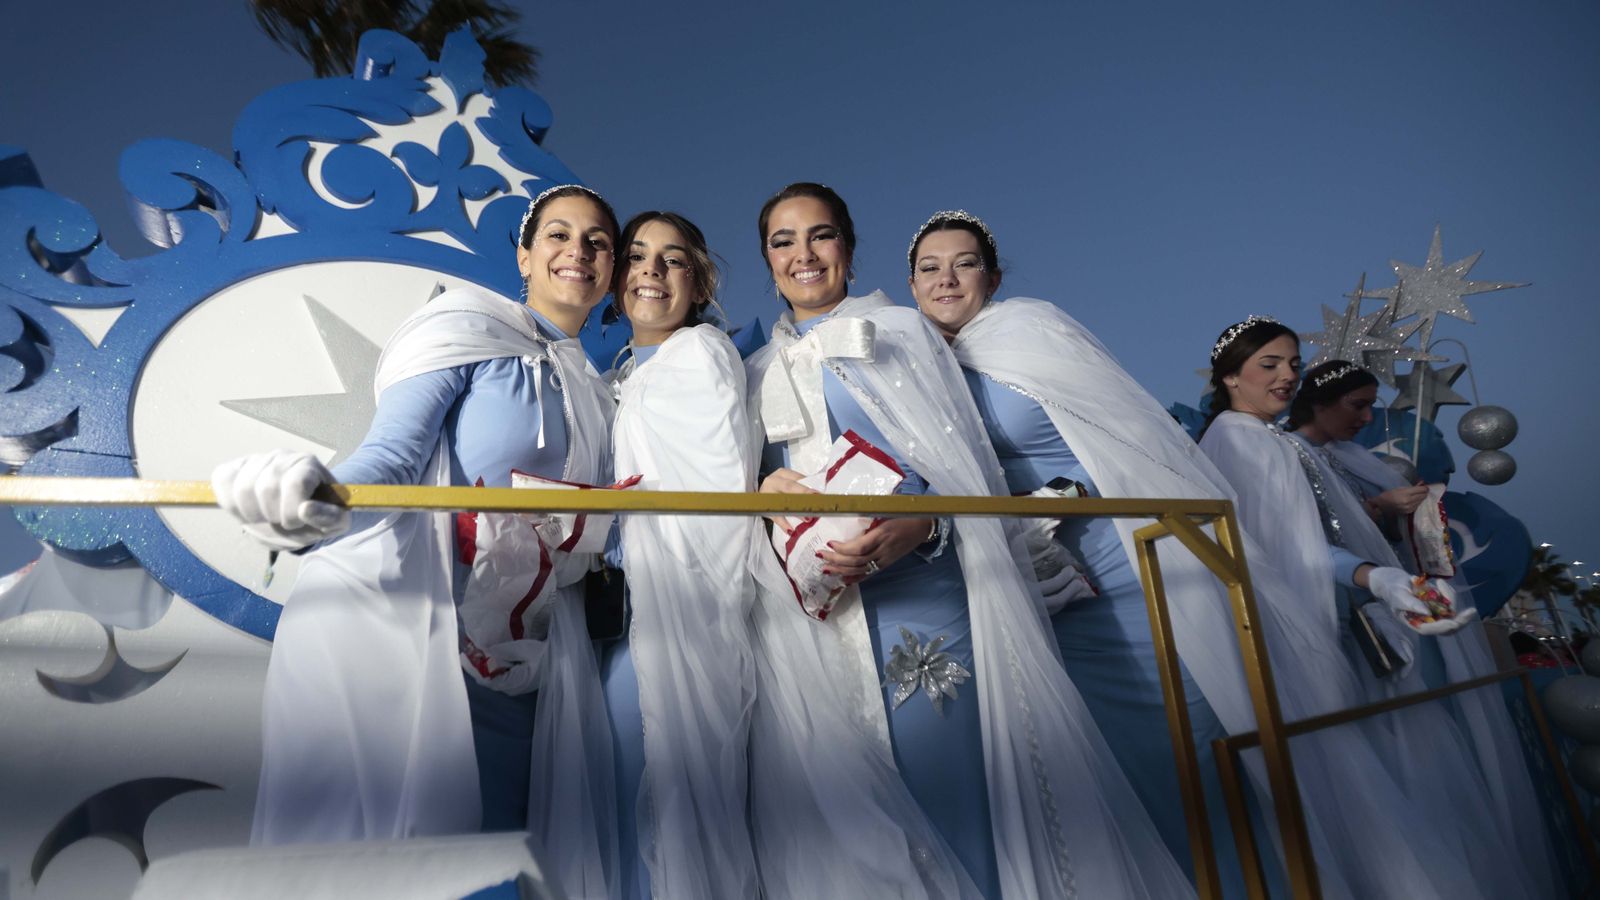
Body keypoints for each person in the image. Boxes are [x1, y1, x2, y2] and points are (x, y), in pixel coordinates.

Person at [746, 182, 1194, 899]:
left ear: (851, 251)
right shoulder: (756, 370)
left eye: (821, 235)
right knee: (856, 822)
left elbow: (965, 466)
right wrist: (764, 493)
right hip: (815, 615)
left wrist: (922, 520)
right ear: (766, 259)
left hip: (920, 593)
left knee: (949, 800)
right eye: (783, 240)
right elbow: (759, 481)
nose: (804, 254)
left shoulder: (902, 332)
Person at [210, 186, 620, 888]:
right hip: (408, 638)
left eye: (597, 242)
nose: (576, 252)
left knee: (506, 870)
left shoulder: (604, 390)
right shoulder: (464, 328)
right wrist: (317, 500)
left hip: (530, 667)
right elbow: (390, 461)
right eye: (557, 235)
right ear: (524, 255)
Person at [906, 209, 1270, 895]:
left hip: (1124, 576)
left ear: (993, 274)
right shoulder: (926, 367)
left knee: (1191, 755)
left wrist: (1056, 500)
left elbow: (1134, 444)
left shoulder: (1031, 330)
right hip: (1042, 595)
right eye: (929, 267)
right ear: (911, 284)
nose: (946, 278)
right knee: (1109, 779)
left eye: (964, 262)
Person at [1198, 318, 1505, 899]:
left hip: (1342, 618)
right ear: (1231, 375)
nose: (1288, 375)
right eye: (1269, 364)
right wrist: (1376, 575)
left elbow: (1315, 535)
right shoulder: (1241, 439)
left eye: (1293, 363)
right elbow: (1287, 553)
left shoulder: (1272, 439)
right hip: (1314, 631)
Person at [1287, 360, 1561, 898]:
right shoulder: (1286, 455)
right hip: (1356, 619)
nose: (1368, 418)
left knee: (1444, 738)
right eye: (1357, 405)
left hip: (1413, 607)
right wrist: (1377, 506)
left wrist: (1404, 512)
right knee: (1404, 746)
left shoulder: (1349, 454)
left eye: (1372, 405)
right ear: (1319, 402)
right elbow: (1297, 537)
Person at [596, 211, 761, 899]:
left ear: (700, 283)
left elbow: (719, 494)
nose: (653, 272)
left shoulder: (700, 356)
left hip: (677, 612)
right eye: (638, 256)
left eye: (673, 259)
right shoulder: (615, 376)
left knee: (667, 793)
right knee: (624, 795)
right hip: (615, 620)